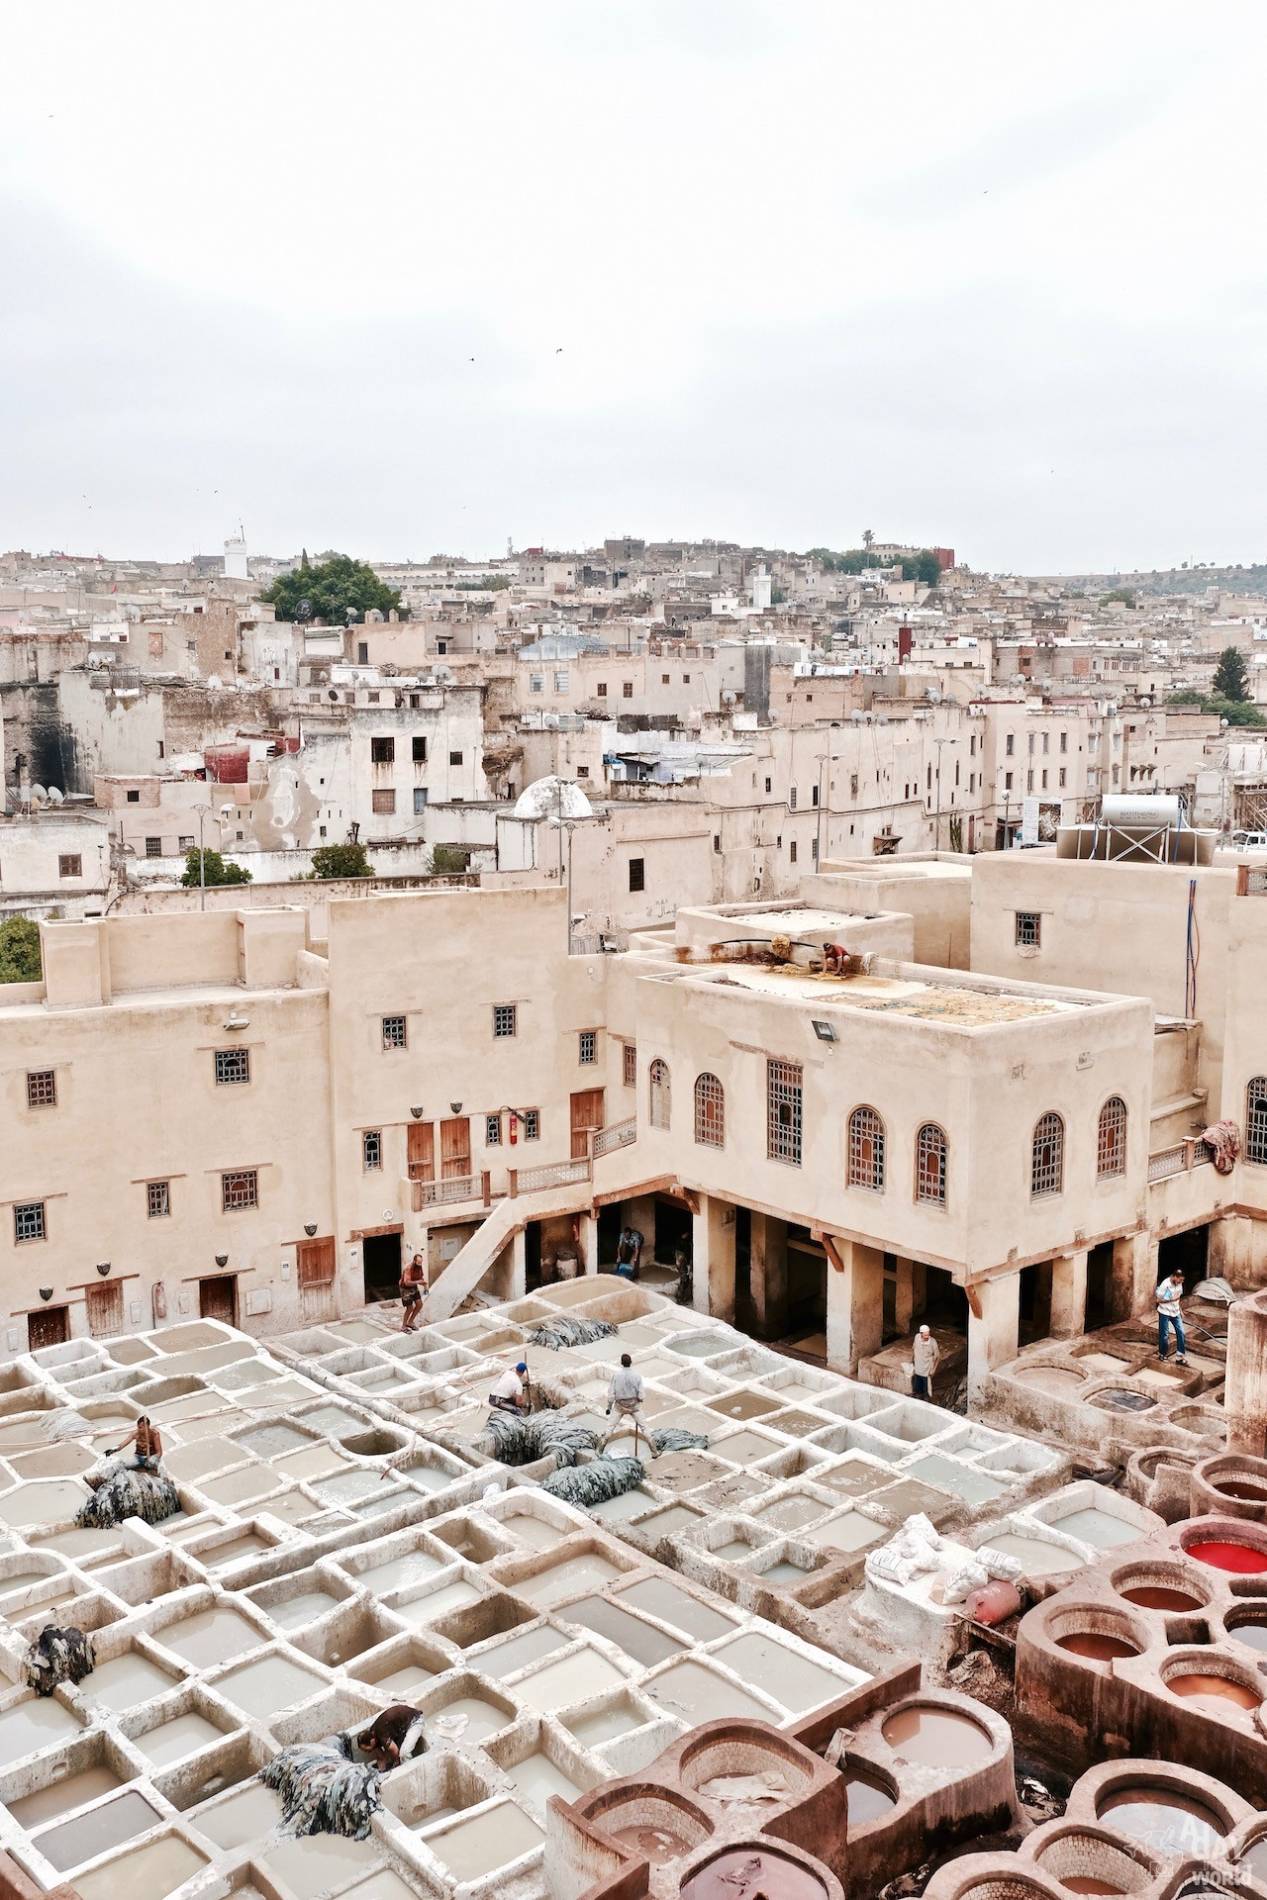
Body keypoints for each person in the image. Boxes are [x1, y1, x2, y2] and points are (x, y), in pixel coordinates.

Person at [601, 1352, 658, 1459]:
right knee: (645, 1428)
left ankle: (600, 1450)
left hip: (619, 1406)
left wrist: (609, 1408)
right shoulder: (637, 1376)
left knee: (610, 1428)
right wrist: (637, 1401)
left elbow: (611, 1395)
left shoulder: (616, 1375)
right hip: (634, 1407)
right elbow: (641, 1396)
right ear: (631, 1362)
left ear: (621, 1363)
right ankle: (654, 1452)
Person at [357, 1703, 426, 1771]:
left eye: (366, 1749)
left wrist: (397, 1765)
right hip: (402, 1728)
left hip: (415, 1721)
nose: (367, 1752)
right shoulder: (373, 1733)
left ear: (372, 1741)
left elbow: (395, 1751)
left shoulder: (381, 1733)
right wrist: (381, 1771)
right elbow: (380, 1757)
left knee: (403, 1754)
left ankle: (410, 1773)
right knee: (390, 1755)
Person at [1156, 1271, 1188, 1364]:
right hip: (1164, 1312)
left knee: (1181, 1332)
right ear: (1174, 1277)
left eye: (1182, 1280)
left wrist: (1180, 1311)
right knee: (1164, 1335)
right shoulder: (1165, 1285)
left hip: (1176, 1312)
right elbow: (1158, 1300)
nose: (1180, 1282)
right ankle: (1162, 1354)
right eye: (1179, 1280)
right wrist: (1171, 1299)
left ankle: (1179, 1357)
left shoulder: (1179, 1284)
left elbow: (1178, 1299)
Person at [399, 1252, 428, 1333]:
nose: (420, 1264)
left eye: (421, 1262)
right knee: (410, 1307)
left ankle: (410, 1322)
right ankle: (403, 1326)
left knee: (419, 1304)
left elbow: (420, 1277)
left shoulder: (419, 1267)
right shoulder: (408, 1268)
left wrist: (425, 1286)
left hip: (413, 1287)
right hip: (405, 1289)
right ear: (414, 1261)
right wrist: (418, 1281)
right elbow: (407, 1282)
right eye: (418, 1262)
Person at [911, 1325, 940, 1401]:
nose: (927, 1336)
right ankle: (917, 1395)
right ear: (921, 1334)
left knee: (926, 1387)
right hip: (918, 1366)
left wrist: (933, 1369)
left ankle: (926, 1398)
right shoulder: (917, 1337)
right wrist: (912, 1361)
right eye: (925, 1335)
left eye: (928, 1334)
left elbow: (937, 1357)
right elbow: (914, 1348)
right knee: (917, 1384)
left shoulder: (933, 1342)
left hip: (926, 1368)